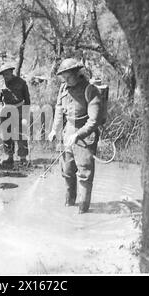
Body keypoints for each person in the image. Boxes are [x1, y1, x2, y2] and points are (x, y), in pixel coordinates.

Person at [48, 57, 102, 213]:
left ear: (77, 73)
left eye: (68, 76)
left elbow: (94, 121)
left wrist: (78, 134)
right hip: (68, 132)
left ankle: (83, 211)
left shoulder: (90, 90)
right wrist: (54, 129)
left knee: (84, 174)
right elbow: (59, 109)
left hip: (85, 136)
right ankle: (69, 204)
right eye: (63, 77)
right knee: (67, 171)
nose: (65, 80)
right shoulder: (63, 88)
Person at [0, 63, 30, 168]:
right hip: (6, 111)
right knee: (7, 135)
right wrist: (1, 107)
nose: (5, 76)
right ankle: (9, 157)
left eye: (7, 74)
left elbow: (27, 100)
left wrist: (25, 114)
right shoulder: (1, 84)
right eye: (3, 75)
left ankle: (23, 158)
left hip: (19, 110)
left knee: (20, 134)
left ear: (11, 72)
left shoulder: (21, 82)